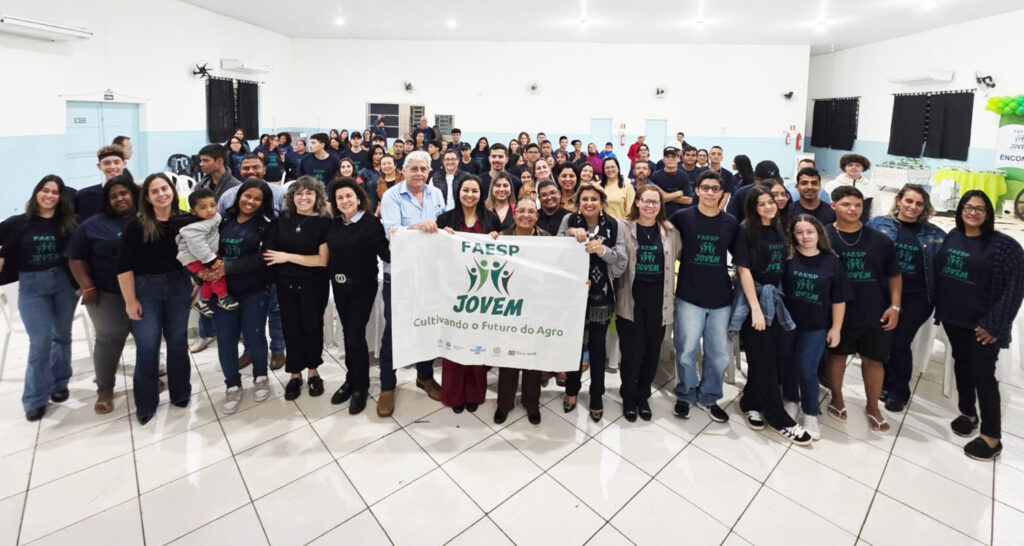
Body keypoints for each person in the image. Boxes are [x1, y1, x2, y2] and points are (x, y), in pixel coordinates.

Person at [934, 191, 1024, 460]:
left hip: (983, 326)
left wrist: (994, 325)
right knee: (961, 365)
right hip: (954, 318)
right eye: (968, 207)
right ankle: (968, 413)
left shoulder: (1005, 246)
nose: (973, 212)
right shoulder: (953, 235)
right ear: (960, 210)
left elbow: (1015, 289)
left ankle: (991, 437)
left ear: (988, 214)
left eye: (980, 208)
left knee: (983, 376)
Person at [730, 187, 813, 444]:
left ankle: (750, 402)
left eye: (771, 202)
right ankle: (779, 419)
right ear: (753, 207)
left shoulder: (780, 228)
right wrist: (755, 308)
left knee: (771, 356)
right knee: (763, 359)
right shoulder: (746, 230)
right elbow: (743, 269)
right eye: (762, 203)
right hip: (754, 302)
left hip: (776, 300)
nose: (768, 206)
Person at [0, 176, 78, 421]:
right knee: (40, 341)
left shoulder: (69, 223)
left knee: (62, 336)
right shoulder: (18, 223)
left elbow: (80, 252)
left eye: (55, 192)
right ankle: (35, 398)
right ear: (36, 193)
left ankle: (59, 383)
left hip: (64, 284)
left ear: (60, 197)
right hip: (32, 286)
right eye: (45, 190)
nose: (49, 195)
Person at [117, 174, 193, 425]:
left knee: (178, 342)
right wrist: (130, 301)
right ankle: (146, 403)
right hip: (146, 288)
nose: (161, 194)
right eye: (155, 191)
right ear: (147, 198)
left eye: (164, 188)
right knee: (148, 346)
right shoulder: (137, 225)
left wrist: (197, 283)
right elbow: (124, 266)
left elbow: (200, 254)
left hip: (179, 285)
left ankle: (180, 393)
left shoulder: (186, 220)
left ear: (172, 191)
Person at [825, 186, 901, 433]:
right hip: (838, 313)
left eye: (858, 205)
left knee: (874, 360)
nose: (853, 209)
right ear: (833, 205)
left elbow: (894, 274)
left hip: (874, 310)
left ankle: (873, 406)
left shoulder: (880, 240)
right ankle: (837, 397)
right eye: (846, 204)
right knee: (837, 356)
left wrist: (895, 306)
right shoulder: (823, 236)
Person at [866, 184, 946, 412]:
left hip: (917, 297)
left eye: (919, 203)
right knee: (883, 339)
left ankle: (899, 390)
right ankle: (883, 382)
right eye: (909, 201)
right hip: (883, 294)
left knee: (900, 341)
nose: (913, 207)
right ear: (899, 200)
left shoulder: (935, 235)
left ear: (925, 207)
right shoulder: (878, 224)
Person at [378, 150, 447, 416]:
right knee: (394, 331)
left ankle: (425, 376)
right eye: (414, 168)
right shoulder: (391, 196)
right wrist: (419, 227)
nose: (419, 173)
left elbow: (441, 227)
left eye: (423, 169)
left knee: (426, 326)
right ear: (404, 171)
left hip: (430, 274)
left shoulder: (436, 194)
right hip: (400, 275)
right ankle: (387, 386)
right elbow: (392, 233)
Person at [669, 171, 737, 423]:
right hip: (689, 295)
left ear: (722, 193)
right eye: (705, 188)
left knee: (719, 354)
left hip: (721, 297)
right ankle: (685, 394)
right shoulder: (682, 217)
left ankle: (709, 396)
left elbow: (741, 255)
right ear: (696, 190)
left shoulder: (730, 222)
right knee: (686, 350)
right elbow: (662, 237)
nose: (710, 192)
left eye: (715, 188)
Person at [67, 176, 138, 414]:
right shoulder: (93, 225)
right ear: (107, 200)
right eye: (113, 196)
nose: (119, 198)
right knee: (109, 340)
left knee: (146, 339)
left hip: (145, 292)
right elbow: (75, 258)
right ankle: (105, 388)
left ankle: (146, 378)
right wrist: (87, 286)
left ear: (133, 194)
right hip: (107, 294)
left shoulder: (145, 218)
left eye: (124, 193)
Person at [558, 183, 627, 422]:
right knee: (574, 346)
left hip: (601, 297)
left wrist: (602, 251)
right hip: (572, 296)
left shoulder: (614, 225)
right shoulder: (569, 220)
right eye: (585, 199)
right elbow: (555, 251)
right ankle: (571, 390)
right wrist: (569, 235)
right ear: (579, 202)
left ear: (602, 202)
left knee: (597, 347)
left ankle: (596, 394)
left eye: (594, 199)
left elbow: (621, 262)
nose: (589, 203)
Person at [209, 180, 276, 414]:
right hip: (221, 291)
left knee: (254, 335)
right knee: (226, 339)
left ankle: (261, 376)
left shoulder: (267, 225)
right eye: (247, 196)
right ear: (239, 196)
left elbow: (264, 258)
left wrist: (227, 267)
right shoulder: (221, 221)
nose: (251, 202)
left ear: (263, 202)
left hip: (254, 289)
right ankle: (232, 384)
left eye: (257, 199)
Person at [615, 186, 681, 422]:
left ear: (661, 206)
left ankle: (643, 395)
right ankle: (628, 396)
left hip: (659, 297)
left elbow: (679, 256)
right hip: (630, 296)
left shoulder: (670, 231)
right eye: (646, 201)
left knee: (652, 350)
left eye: (655, 202)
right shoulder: (623, 226)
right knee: (631, 350)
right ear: (637, 202)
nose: (650, 206)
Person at [326, 177, 390, 415]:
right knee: (348, 334)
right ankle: (351, 378)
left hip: (363, 287)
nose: (345, 201)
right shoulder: (334, 223)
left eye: (349, 196)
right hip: (340, 286)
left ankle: (360, 386)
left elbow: (385, 253)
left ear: (358, 198)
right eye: (340, 198)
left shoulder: (371, 223)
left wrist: (400, 237)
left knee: (354, 335)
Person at [782, 214, 850, 440]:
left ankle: (810, 412)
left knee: (807, 368)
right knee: (788, 365)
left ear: (818, 233)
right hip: (787, 324)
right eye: (799, 232)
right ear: (793, 235)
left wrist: (836, 328)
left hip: (816, 326)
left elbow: (839, 299)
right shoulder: (787, 258)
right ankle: (791, 400)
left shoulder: (832, 262)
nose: (805, 237)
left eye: (809, 232)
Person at [436, 175, 501, 413]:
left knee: (477, 341)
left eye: (475, 191)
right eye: (465, 190)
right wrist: (442, 237)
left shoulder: (491, 219)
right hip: (452, 290)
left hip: (481, 290)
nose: (470, 195)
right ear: (458, 192)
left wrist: (496, 239)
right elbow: (436, 253)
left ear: (481, 194)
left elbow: (499, 255)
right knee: (454, 341)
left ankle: (474, 393)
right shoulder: (445, 219)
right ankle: (453, 395)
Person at [263, 176, 331, 401]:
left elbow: (321, 260)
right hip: (286, 285)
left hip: (314, 285)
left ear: (317, 196)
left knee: (312, 327)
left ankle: (313, 371)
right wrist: (286, 259)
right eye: (299, 193)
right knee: (291, 328)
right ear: (291, 197)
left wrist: (287, 256)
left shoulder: (324, 222)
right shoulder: (281, 221)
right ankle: (294, 374)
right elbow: (271, 255)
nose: (304, 198)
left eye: (309, 193)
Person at [494, 197, 549, 425]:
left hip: (537, 305)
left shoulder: (548, 240)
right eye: (521, 211)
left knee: (532, 357)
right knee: (508, 355)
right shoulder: (501, 237)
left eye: (531, 212)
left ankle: (531, 402)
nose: (526, 215)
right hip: (509, 305)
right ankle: (504, 403)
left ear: (537, 216)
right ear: (514, 215)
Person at [176, 188, 239, 314]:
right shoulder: (195, 226)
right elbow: (197, 244)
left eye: (212, 205)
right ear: (193, 211)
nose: (209, 210)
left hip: (203, 254)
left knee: (207, 279)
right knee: (215, 274)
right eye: (203, 207)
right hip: (196, 256)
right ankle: (223, 297)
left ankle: (203, 301)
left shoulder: (214, 217)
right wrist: (211, 260)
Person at [75, 145, 127, 219]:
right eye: (107, 163)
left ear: (124, 164)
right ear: (99, 166)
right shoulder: (84, 196)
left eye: (116, 162)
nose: (112, 167)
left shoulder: (136, 193)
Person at [825, 154, 877, 222]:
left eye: (858, 165)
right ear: (844, 167)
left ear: (863, 168)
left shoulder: (872, 187)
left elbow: (876, 210)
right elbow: (826, 208)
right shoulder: (831, 185)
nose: (854, 167)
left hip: (862, 224)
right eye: (850, 165)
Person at [649, 146, 694, 218]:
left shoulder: (684, 176)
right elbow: (654, 198)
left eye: (673, 157)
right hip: (660, 216)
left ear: (678, 159)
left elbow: (688, 200)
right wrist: (677, 194)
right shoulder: (656, 176)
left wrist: (665, 196)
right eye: (667, 157)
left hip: (679, 216)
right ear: (663, 159)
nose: (670, 159)